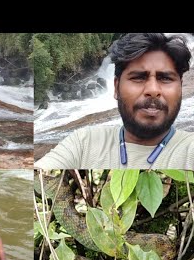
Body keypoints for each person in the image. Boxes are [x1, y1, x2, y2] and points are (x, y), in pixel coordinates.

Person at [35, 33, 194, 169]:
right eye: (138, 77)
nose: (153, 90)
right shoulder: (83, 144)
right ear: (116, 88)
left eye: (165, 78)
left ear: (180, 87)